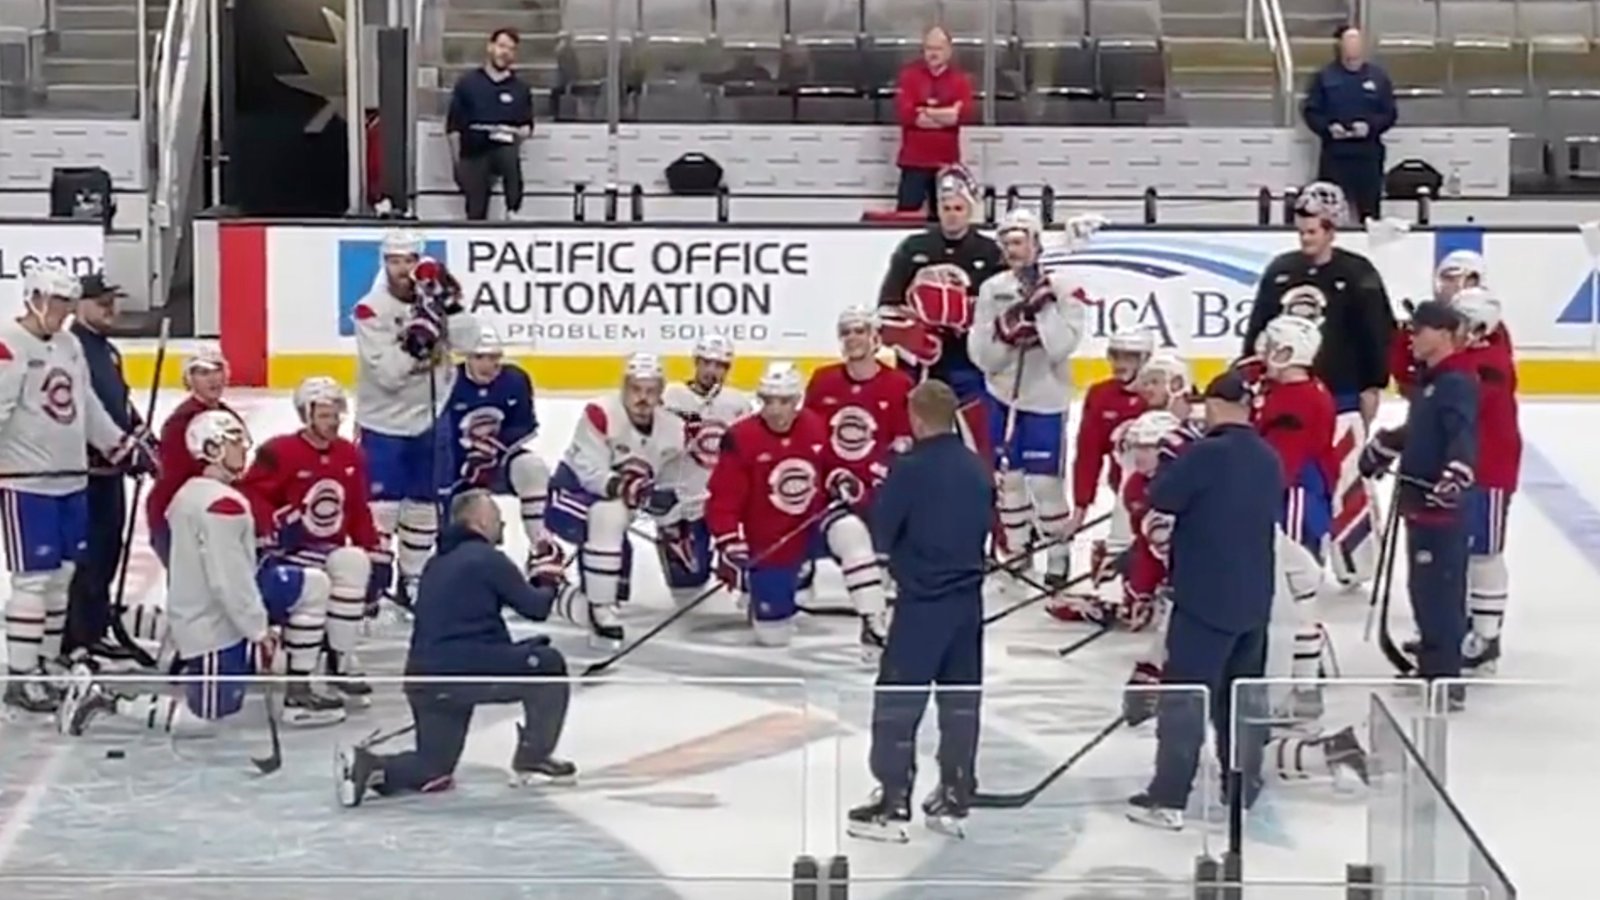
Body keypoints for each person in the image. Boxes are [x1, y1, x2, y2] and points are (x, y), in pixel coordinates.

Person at [59, 411, 345, 736]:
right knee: (204, 720)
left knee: (312, 586)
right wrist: (258, 631)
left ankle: (297, 690)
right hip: (214, 630)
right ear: (212, 449)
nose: (244, 449)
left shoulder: (194, 492)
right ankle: (103, 701)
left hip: (202, 613)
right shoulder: (223, 504)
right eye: (234, 441)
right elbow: (230, 581)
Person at [334, 489, 576, 806]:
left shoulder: (437, 563)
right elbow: (536, 607)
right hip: (466, 669)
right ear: (480, 521)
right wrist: (548, 577)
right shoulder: (486, 558)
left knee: (433, 768)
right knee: (548, 663)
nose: (503, 527)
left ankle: (369, 767)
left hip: (425, 677)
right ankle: (534, 755)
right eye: (498, 520)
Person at [1127, 370, 1280, 832]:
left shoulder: (1204, 455)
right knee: (1241, 699)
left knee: (1186, 699)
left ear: (1213, 405)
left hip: (1205, 599)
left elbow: (1161, 495)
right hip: (1255, 598)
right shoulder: (1268, 456)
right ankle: (1242, 787)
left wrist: (1176, 448)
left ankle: (1169, 796)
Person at [0, 263, 151, 712]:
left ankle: (48, 662)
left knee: (64, 576)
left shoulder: (68, 344)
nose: (63, 313)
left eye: (68, 304)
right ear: (34, 297)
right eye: (57, 302)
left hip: (72, 481)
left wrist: (120, 446)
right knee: (33, 580)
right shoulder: (8, 346)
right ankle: (22, 673)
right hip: (28, 485)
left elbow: (86, 406)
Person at [847, 380, 991, 842]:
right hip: (968, 605)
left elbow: (882, 534)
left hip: (922, 603)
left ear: (917, 416)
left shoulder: (908, 469)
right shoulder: (976, 468)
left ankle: (893, 799)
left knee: (897, 700)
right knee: (960, 703)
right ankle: (955, 791)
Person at [1241, 182, 1395, 589]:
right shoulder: (1280, 270)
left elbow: (1378, 332)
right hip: (1290, 395)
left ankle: (1356, 563)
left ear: (1332, 230)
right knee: (1293, 475)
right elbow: (1259, 329)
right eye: (1302, 230)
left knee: (1346, 478)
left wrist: (1373, 385)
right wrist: (1250, 371)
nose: (1306, 238)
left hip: (1342, 393)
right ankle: (1294, 556)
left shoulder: (1358, 273)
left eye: (1314, 231)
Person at [705, 362, 888, 655]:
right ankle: (763, 595)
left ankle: (873, 620)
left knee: (851, 531)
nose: (775, 409)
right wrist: (729, 541)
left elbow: (830, 466)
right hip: (771, 542)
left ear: (797, 401)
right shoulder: (741, 438)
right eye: (768, 401)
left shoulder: (814, 424)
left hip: (813, 523)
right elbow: (722, 499)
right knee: (773, 637)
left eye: (784, 401)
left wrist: (841, 479)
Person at [353, 230, 479, 609]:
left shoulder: (433, 297)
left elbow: (471, 343)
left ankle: (415, 578)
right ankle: (374, 582)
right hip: (383, 421)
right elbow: (387, 375)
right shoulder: (369, 309)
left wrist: (451, 308)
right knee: (382, 508)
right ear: (384, 263)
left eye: (408, 260)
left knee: (424, 504)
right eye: (394, 261)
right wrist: (415, 340)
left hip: (430, 415)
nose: (403, 269)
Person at [238, 377, 381, 705]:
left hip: (327, 547)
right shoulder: (278, 451)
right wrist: (274, 519)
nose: (332, 423)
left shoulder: (349, 454)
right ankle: (299, 680)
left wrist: (373, 548)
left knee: (355, 563)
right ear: (306, 414)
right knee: (317, 584)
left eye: (335, 415)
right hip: (289, 552)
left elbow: (357, 507)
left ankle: (340, 660)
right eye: (324, 416)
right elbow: (249, 492)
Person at [968, 208, 1088, 592]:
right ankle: (1017, 553)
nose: (1012, 249)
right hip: (1001, 396)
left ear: (1036, 243)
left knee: (1045, 483)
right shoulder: (992, 289)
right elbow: (983, 357)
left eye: (1019, 241)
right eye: (1005, 243)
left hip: (1046, 398)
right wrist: (1007, 332)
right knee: (1009, 480)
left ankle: (1057, 553)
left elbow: (1061, 347)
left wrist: (1044, 309)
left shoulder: (1064, 287)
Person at [1360, 301, 1479, 682]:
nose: (1413, 337)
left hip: (1437, 507)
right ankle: (1433, 660)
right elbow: (1424, 430)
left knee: (1439, 592)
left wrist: (1455, 475)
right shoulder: (1433, 380)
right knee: (1423, 587)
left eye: (1420, 330)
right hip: (1420, 501)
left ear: (1444, 334)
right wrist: (1387, 447)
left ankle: (1444, 675)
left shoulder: (1455, 381)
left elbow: (1462, 433)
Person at [546, 352, 688, 645]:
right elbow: (590, 472)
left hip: (619, 511)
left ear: (661, 393)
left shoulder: (674, 429)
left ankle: (591, 603)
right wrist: (633, 491)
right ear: (624, 388)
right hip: (569, 498)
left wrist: (671, 519)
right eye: (636, 389)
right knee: (608, 515)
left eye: (650, 391)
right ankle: (599, 609)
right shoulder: (600, 413)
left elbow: (671, 484)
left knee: (616, 546)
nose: (642, 398)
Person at [1252, 315, 1338, 720]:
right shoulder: (1293, 389)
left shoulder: (1299, 398)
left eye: (1273, 347)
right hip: (1300, 491)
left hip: (1297, 496)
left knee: (1297, 590)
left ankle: (1305, 685)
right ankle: (1304, 676)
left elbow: (1282, 461)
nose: (1265, 353)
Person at [65, 274, 147, 659]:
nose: (110, 308)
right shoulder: (71, 350)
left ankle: (95, 627)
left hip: (111, 473)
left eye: (112, 300)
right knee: (86, 557)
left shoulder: (107, 351)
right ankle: (75, 636)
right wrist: (121, 448)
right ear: (78, 305)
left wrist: (143, 437)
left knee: (107, 550)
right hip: (85, 474)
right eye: (101, 302)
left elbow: (122, 404)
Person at [1047, 328, 1153, 622]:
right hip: (1126, 491)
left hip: (1162, 492)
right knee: (1123, 543)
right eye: (1116, 355)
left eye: (1130, 356)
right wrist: (1081, 508)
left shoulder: (1161, 390)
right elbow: (1088, 453)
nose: (1121, 363)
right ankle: (1118, 596)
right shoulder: (1101, 395)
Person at [877, 165, 1002, 409]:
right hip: (919, 363)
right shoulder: (913, 248)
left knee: (975, 433)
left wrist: (969, 314)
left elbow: (1001, 307)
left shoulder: (990, 252)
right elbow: (887, 305)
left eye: (958, 208)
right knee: (914, 428)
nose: (952, 214)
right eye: (946, 208)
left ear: (969, 209)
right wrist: (909, 334)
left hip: (969, 361)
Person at [436, 325, 552, 575]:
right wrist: (466, 466)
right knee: (474, 511)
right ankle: (443, 562)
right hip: (456, 466)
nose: (488, 365)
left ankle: (541, 550)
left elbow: (523, 427)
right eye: (480, 357)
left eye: (493, 358)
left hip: (499, 461)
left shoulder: (515, 380)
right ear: (467, 356)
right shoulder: (447, 382)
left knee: (533, 469)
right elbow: (438, 436)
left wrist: (493, 451)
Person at [1448, 287, 1519, 673]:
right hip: (1472, 467)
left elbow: (1463, 405)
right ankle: (1467, 628)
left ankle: (1486, 637)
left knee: (1484, 550)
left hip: (1488, 469)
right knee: (1465, 550)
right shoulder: (1476, 354)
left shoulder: (1487, 364)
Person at [658, 334, 750, 608]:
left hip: (724, 505)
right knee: (687, 587)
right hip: (681, 503)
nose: (713, 371)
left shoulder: (737, 404)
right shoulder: (670, 397)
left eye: (720, 365)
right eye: (707, 363)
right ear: (696, 363)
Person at [146, 342, 239, 565]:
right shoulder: (179, 423)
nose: (213, 378)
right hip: (174, 517)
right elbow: (177, 476)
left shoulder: (228, 416)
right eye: (203, 372)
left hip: (209, 515)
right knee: (188, 586)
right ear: (190, 379)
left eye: (217, 370)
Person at [1301, 25, 1396, 223]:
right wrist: (1328, 128)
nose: (1352, 47)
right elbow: (1311, 111)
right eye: (1348, 42)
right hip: (1335, 156)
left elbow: (1389, 113)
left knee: (1369, 213)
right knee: (1330, 213)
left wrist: (1370, 127)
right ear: (1341, 46)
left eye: (1356, 42)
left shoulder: (1378, 77)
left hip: (1367, 156)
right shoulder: (1325, 77)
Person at [447, 28, 535, 221]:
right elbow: (453, 127)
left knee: (508, 154)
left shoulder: (520, 89)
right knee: (476, 205)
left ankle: (513, 211)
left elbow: (527, 127)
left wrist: (512, 131)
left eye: (511, 49)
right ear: (490, 47)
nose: (505, 52)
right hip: (474, 150)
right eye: (502, 46)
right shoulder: (468, 83)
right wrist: (457, 162)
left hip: (503, 147)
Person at [892, 27, 972, 215]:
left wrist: (926, 112)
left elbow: (961, 116)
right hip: (914, 162)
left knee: (945, 216)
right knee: (905, 216)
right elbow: (907, 115)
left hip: (946, 163)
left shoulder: (960, 80)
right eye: (929, 48)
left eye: (938, 48)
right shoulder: (909, 77)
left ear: (949, 50)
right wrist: (945, 115)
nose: (933, 53)